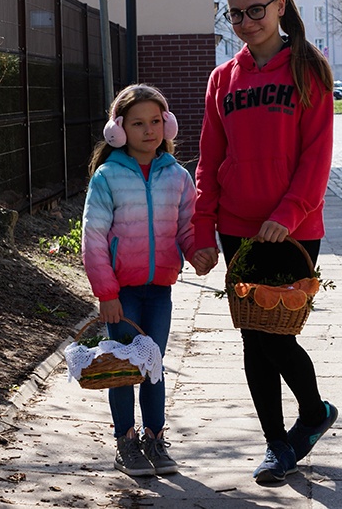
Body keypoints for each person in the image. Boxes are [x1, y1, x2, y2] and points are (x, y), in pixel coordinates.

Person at [190, 0, 338, 483]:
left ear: (279, 6)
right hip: (236, 227)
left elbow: (317, 156)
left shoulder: (308, 69)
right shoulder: (222, 79)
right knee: (255, 336)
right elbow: (209, 160)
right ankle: (278, 442)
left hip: (293, 229)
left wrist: (287, 214)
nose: (245, 21)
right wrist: (201, 227)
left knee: (277, 332)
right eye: (235, 13)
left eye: (256, 9)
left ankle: (314, 413)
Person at [82, 83, 204, 477]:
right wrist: (106, 293)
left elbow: (186, 227)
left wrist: (198, 251)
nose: (149, 130)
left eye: (156, 121)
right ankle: (126, 441)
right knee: (122, 367)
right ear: (118, 130)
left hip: (159, 291)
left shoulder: (178, 177)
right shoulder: (107, 177)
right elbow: (94, 237)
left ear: (167, 125)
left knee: (153, 366)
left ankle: (155, 438)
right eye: (138, 123)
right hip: (121, 293)